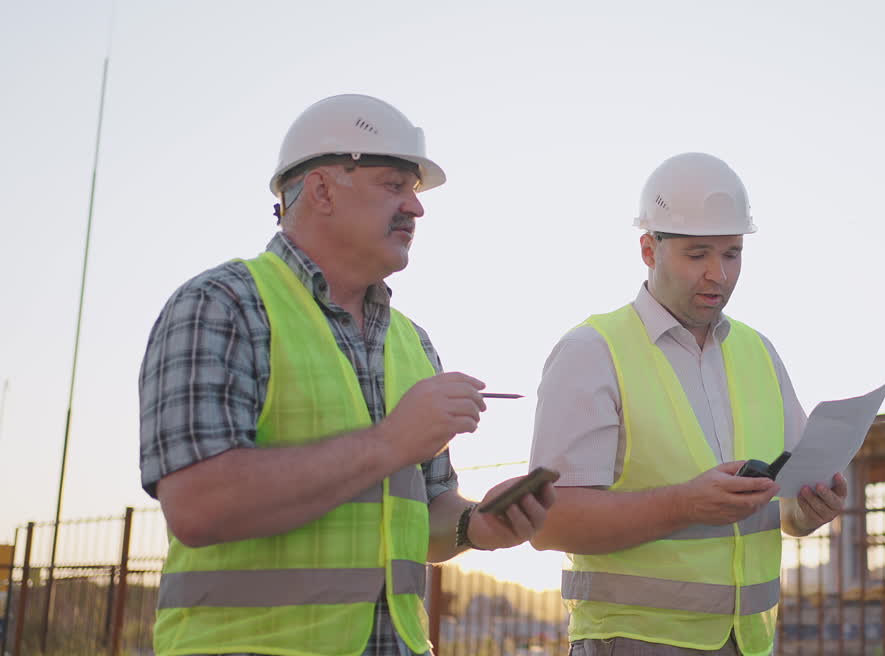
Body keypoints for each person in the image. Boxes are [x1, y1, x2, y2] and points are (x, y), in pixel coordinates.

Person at [138, 94, 555, 656]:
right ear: (322, 189)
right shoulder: (222, 306)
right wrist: (390, 442)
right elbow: (198, 505)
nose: (416, 207)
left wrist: (476, 526)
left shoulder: (412, 341)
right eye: (393, 184)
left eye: (414, 190)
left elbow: (425, 514)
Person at [529, 152, 846, 656]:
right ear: (648, 250)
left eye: (733, 253)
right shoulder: (592, 352)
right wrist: (682, 504)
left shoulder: (759, 353)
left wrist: (809, 512)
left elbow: (784, 509)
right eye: (697, 255)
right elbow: (548, 523)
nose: (718, 275)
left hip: (750, 643)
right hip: (632, 641)